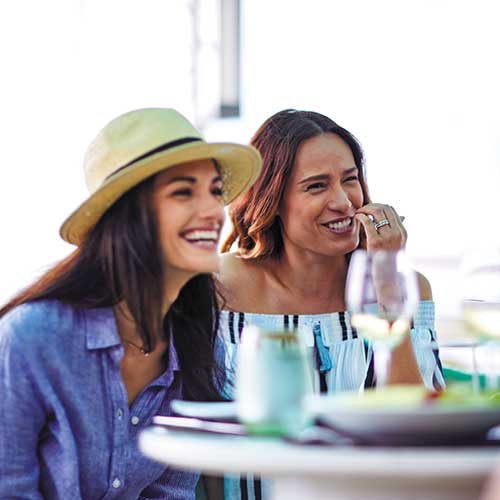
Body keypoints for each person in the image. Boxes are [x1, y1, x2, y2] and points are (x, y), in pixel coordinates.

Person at [0, 108, 261, 499]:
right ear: (126, 215)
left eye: (215, 191)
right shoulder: (32, 337)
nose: (213, 211)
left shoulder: (199, 345)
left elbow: (171, 494)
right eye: (183, 192)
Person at [215, 109, 444, 500]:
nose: (343, 202)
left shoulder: (407, 286)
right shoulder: (218, 288)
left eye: (349, 180)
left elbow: (420, 428)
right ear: (272, 198)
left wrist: (388, 284)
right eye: (316, 186)